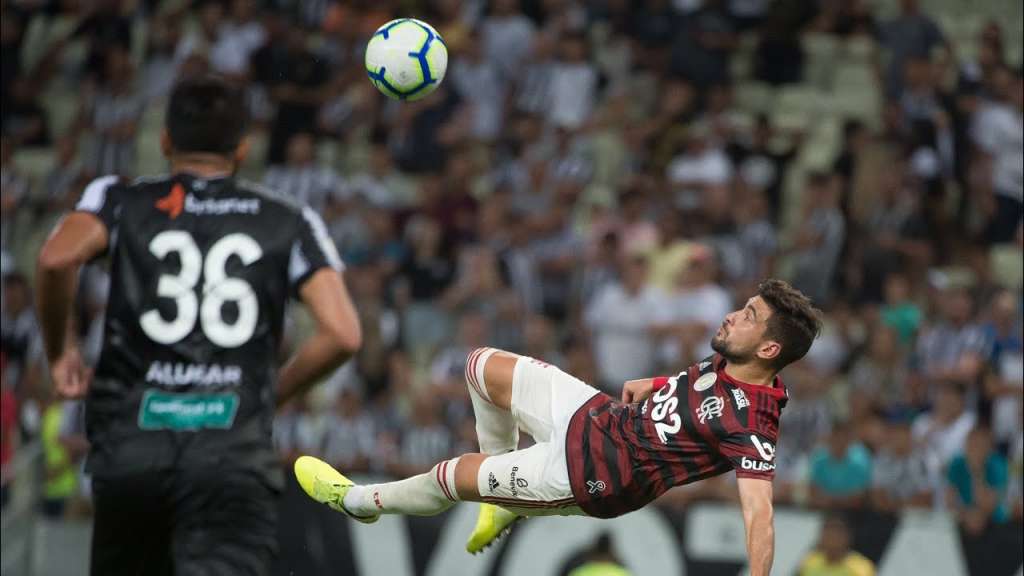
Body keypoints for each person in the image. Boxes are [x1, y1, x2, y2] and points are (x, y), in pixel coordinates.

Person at [34, 76, 362, 575]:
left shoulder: (117, 200)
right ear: (243, 147)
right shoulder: (289, 219)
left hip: (132, 450)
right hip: (228, 455)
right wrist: (272, 393)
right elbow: (342, 334)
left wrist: (61, 350)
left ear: (165, 140)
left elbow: (56, 260)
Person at [296, 279, 822, 576]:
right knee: (480, 365)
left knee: (450, 474)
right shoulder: (734, 360)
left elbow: (760, 514)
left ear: (769, 349)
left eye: (749, 315)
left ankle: (357, 503)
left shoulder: (753, 422)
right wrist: (657, 383)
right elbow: (699, 392)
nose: (733, 315)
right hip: (602, 418)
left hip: (594, 473)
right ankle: (500, 501)